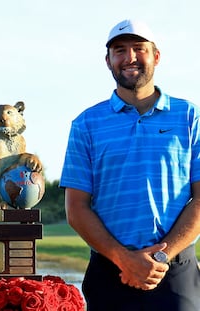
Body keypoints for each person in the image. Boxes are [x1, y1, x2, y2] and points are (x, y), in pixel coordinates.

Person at [60, 19, 200, 311]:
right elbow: (76, 209)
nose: (129, 57)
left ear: (156, 56)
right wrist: (126, 260)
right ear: (108, 61)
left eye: (139, 48)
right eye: (119, 50)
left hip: (175, 273)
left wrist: (159, 259)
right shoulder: (86, 124)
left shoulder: (190, 117)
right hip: (110, 273)